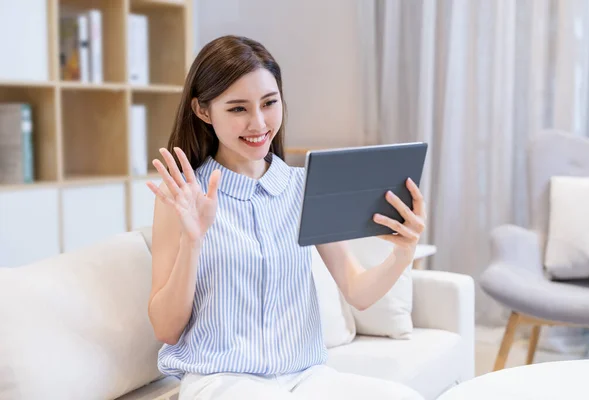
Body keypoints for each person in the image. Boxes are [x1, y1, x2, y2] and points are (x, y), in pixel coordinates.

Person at [146, 35, 427, 400]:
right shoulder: (181, 196)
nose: (259, 123)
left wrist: (403, 252)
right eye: (237, 109)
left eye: (269, 103)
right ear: (203, 111)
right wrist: (192, 241)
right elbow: (166, 329)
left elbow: (357, 291)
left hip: (305, 378)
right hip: (222, 381)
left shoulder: (302, 187)